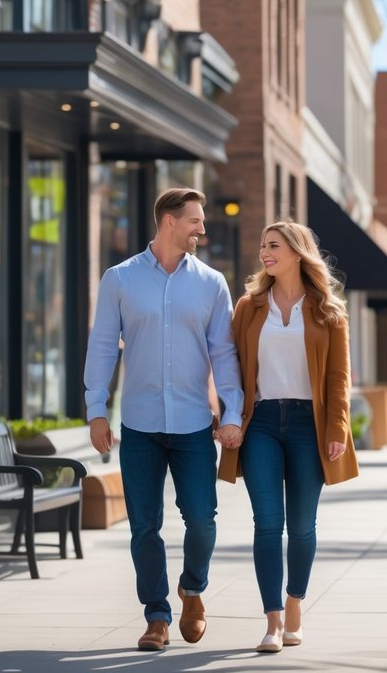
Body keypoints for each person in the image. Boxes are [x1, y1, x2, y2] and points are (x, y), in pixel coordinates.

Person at [84, 188, 245, 652]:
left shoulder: (212, 283)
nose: (202, 229)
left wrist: (231, 412)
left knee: (203, 519)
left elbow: (224, 354)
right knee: (144, 526)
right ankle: (156, 615)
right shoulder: (119, 279)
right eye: (195, 221)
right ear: (168, 222)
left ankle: (192, 588)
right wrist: (97, 410)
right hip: (140, 424)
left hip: (195, 423)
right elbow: (101, 347)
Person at [217, 221, 359, 654]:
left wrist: (337, 427)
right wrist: (229, 417)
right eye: (262, 245)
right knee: (267, 524)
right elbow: (232, 368)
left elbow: (338, 377)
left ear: (298, 253)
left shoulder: (327, 310)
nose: (264, 252)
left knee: (301, 527)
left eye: (273, 245)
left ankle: (295, 604)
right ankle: (272, 620)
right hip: (260, 421)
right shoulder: (248, 306)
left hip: (307, 425)